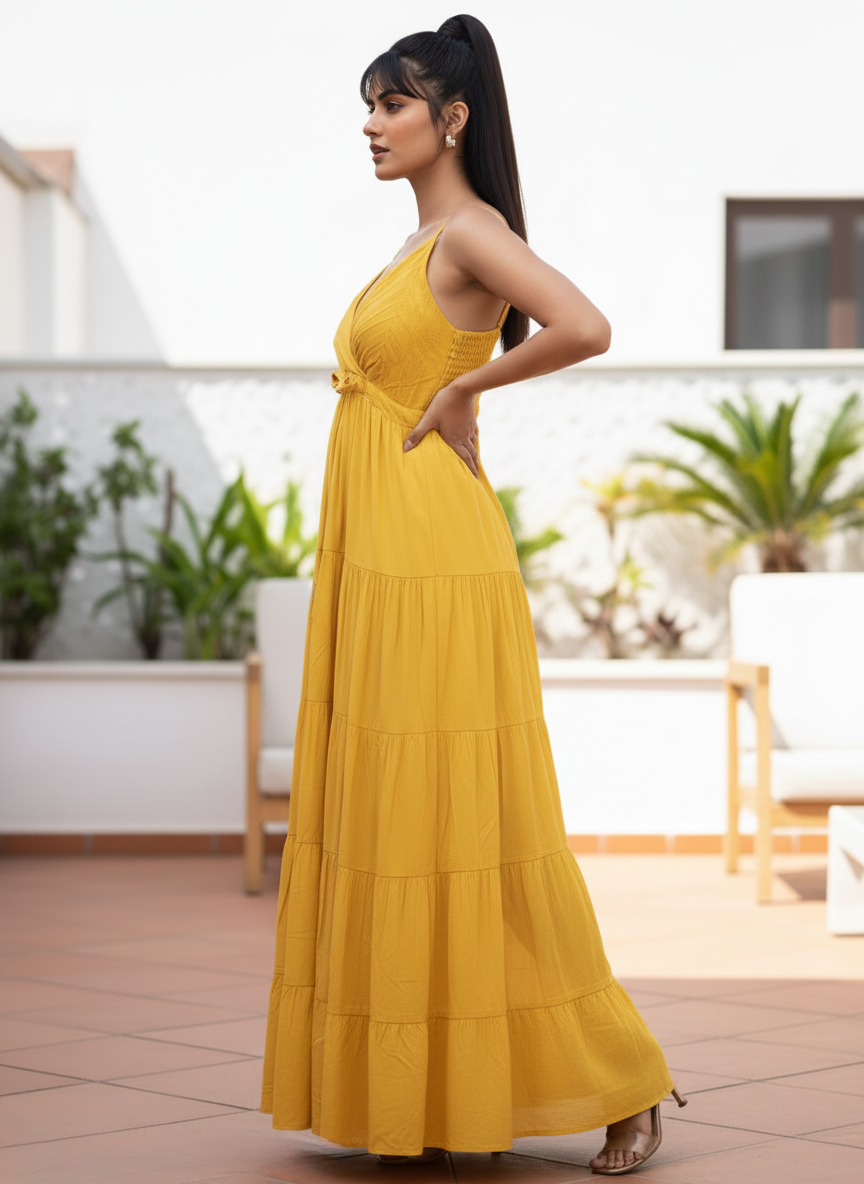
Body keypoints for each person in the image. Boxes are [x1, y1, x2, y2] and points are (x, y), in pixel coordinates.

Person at [261, 13, 686, 1176]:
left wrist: (470, 390)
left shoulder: (472, 231)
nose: (371, 123)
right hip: (382, 562)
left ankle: (628, 1080)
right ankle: (438, 1089)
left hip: (437, 570)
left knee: (479, 834)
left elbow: (584, 326)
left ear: (452, 118)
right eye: (371, 103)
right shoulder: (414, 249)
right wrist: (458, 393)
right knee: (408, 834)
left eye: (391, 103)